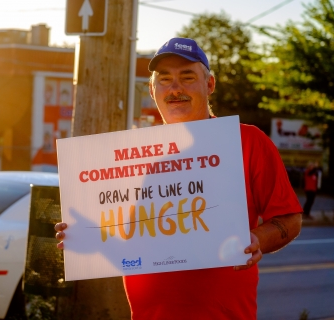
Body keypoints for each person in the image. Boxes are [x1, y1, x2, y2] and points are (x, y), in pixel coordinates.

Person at [55, 37, 303, 319]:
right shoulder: (130, 157)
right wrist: (87, 236)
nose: (175, 89)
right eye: (165, 80)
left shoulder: (247, 141)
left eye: (187, 77)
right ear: (152, 89)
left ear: (209, 85)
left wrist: (257, 239)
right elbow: (131, 244)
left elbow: (289, 220)